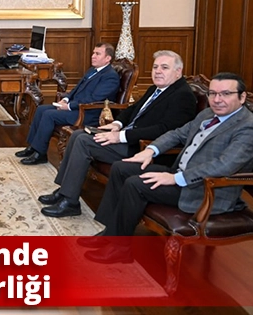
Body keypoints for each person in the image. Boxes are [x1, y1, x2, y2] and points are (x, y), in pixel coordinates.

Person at [81, 72, 253, 264]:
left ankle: (120, 250)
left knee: (136, 185)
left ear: (242, 97)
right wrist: (151, 150)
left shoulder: (247, 127)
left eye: (225, 94)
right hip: (180, 174)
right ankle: (110, 234)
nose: (217, 100)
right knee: (121, 168)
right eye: (213, 93)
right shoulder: (207, 114)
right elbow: (177, 134)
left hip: (205, 190)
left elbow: (224, 165)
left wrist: (176, 179)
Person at [39, 50, 198, 217]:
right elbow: (132, 109)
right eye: (155, 67)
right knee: (78, 135)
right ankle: (64, 191)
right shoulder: (156, 89)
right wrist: (117, 124)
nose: (158, 71)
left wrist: (121, 136)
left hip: (142, 148)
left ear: (178, 71)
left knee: (83, 142)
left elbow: (165, 129)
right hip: (128, 137)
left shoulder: (183, 96)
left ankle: (70, 202)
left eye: (164, 67)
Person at [16, 43, 120, 165]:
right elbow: (76, 89)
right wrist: (65, 100)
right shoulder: (93, 70)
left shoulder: (110, 77)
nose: (93, 56)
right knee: (41, 109)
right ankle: (33, 147)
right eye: (93, 53)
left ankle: (40, 154)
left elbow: (94, 99)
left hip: (88, 113)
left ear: (108, 58)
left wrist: (69, 106)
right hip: (75, 107)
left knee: (49, 115)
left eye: (98, 54)